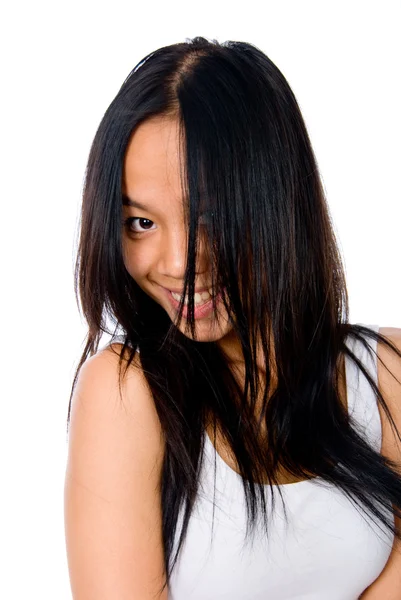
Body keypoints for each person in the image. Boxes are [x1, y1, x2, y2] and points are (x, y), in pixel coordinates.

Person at [63, 37, 401, 599]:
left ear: (279, 199)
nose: (177, 264)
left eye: (211, 216)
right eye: (141, 223)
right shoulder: (125, 392)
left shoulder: (386, 375)